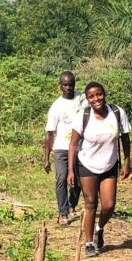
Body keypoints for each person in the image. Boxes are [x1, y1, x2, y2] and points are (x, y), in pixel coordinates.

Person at [68, 81, 132, 257]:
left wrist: (127, 160)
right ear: (88, 99)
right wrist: (71, 171)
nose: (96, 99)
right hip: (86, 164)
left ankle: (99, 228)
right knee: (90, 203)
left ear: (104, 94)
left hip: (109, 165)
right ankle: (89, 243)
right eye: (92, 96)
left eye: (99, 94)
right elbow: (73, 144)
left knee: (109, 205)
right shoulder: (83, 116)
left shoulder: (117, 113)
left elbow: (125, 138)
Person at [43, 71, 85, 226]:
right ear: (60, 85)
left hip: (80, 148)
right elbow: (49, 133)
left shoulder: (83, 100)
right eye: (65, 85)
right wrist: (46, 158)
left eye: (71, 84)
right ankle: (63, 212)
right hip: (61, 148)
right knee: (61, 177)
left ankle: (72, 205)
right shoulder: (56, 106)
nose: (69, 87)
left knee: (79, 179)